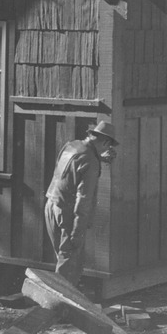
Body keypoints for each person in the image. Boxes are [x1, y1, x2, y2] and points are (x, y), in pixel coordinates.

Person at [44, 116, 118, 287]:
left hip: (51, 205)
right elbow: (83, 201)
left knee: (63, 257)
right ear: (106, 142)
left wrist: (99, 159)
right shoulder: (91, 162)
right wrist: (77, 233)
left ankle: (61, 302)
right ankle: (63, 307)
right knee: (70, 261)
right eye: (110, 145)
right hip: (67, 212)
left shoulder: (72, 145)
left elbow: (69, 172)